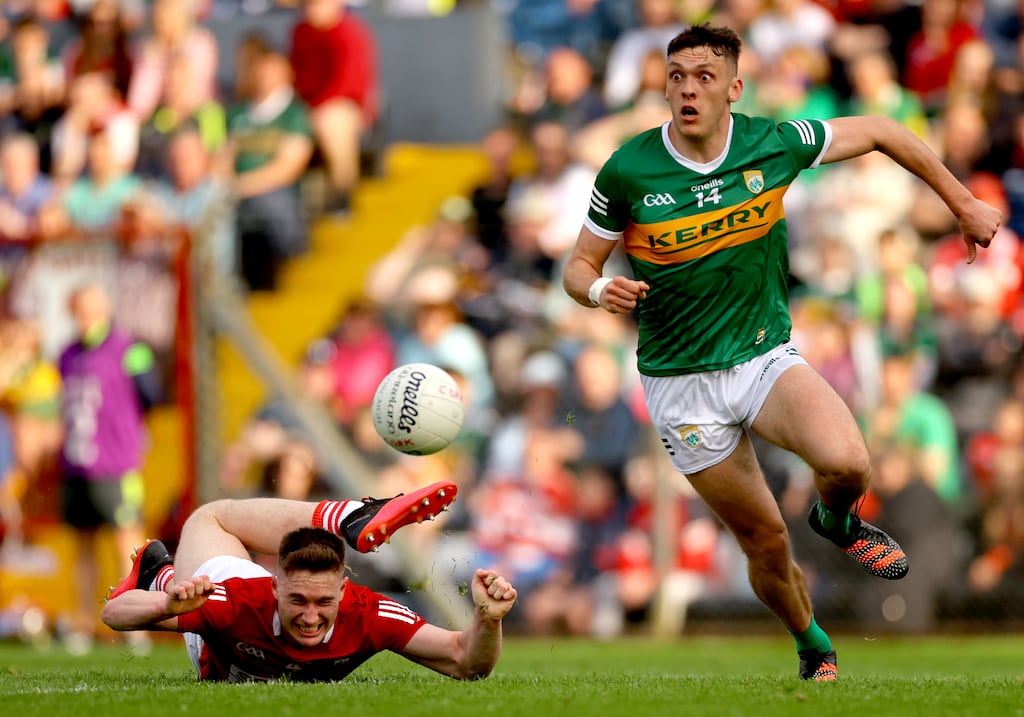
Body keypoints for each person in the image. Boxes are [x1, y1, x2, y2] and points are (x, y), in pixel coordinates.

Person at [561, 23, 1001, 681]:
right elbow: (576, 265)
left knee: (850, 462)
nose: (687, 87)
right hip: (681, 385)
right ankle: (811, 640)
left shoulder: (773, 141)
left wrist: (962, 200)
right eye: (676, 74)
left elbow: (882, 128)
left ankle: (835, 516)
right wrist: (599, 287)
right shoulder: (629, 168)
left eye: (705, 76)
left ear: (734, 88)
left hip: (762, 356)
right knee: (765, 541)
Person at [100, 482, 520, 682]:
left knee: (215, 517)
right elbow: (114, 613)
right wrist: (166, 608)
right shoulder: (235, 602)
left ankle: (159, 573)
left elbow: (467, 662)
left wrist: (487, 620)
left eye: (323, 602)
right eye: (297, 600)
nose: (310, 616)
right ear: (275, 585)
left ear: (343, 591)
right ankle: (347, 516)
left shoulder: (368, 614)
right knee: (207, 517)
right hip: (224, 597)